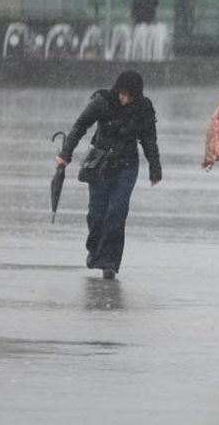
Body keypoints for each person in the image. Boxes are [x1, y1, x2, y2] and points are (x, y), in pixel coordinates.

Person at [55, 70, 162, 280]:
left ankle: (109, 263)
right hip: (99, 164)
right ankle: (94, 248)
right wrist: (65, 154)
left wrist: (155, 168)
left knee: (117, 211)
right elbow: (80, 126)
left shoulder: (143, 108)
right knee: (97, 213)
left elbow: (149, 139)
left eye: (128, 96)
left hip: (127, 166)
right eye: (121, 94)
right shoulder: (102, 101)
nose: (124, 99)